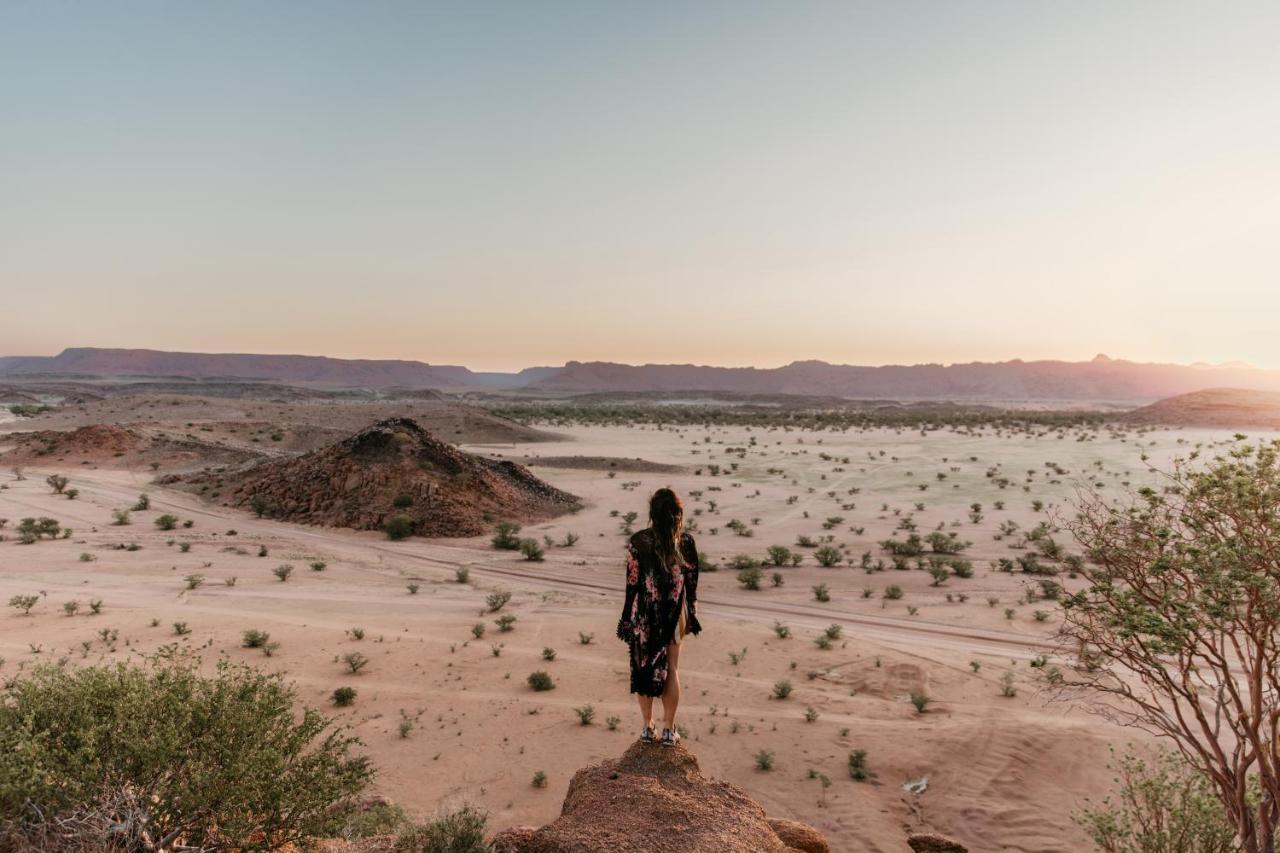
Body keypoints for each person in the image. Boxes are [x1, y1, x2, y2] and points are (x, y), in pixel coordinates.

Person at [616, 487, 701, 747]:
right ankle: (668, 730)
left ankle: (647, 728)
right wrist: (693, 610)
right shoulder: (685, 543)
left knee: (644, 669)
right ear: (677, 514)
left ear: (652, 512)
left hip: (644, 614)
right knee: (672, 668)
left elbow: (632, 583)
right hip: (675, 614)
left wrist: (626, 619)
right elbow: (692, 581)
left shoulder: (638, 542)